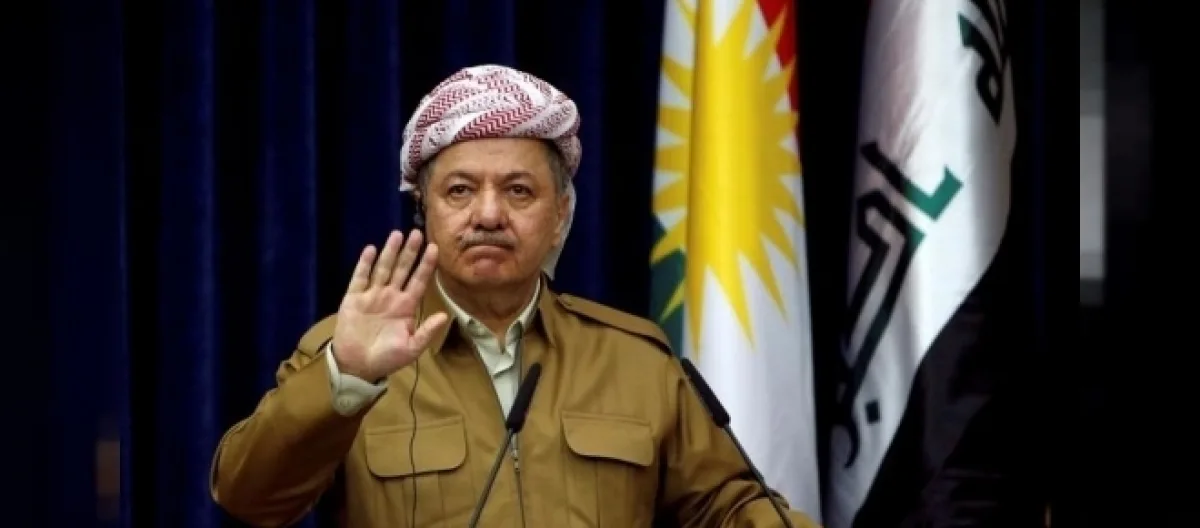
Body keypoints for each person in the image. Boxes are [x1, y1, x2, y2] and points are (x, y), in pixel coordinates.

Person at [209, 64, 820, 528]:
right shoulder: (348, 355)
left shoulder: (637, 360)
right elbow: (248, 498)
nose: (488, 214)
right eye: (459, 191)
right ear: (424, 212)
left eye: (519, 191)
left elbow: (730, 508)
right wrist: (347, 380)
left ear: (560, 217)